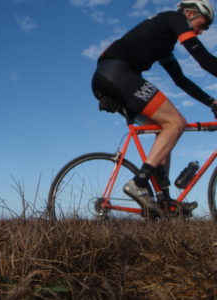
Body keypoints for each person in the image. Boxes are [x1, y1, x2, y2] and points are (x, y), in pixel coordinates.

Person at [91, 0, 217, 216]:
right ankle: (139, 182)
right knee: (177, 123)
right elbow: (203, 59)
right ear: (190, 13)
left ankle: (163, 202)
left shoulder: (164, 43)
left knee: (164, 131)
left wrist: (211, 102)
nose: (202, 31)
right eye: (203, 24)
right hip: (117, 73)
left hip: (109, 76)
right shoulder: (174, 18)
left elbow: (181, 81)